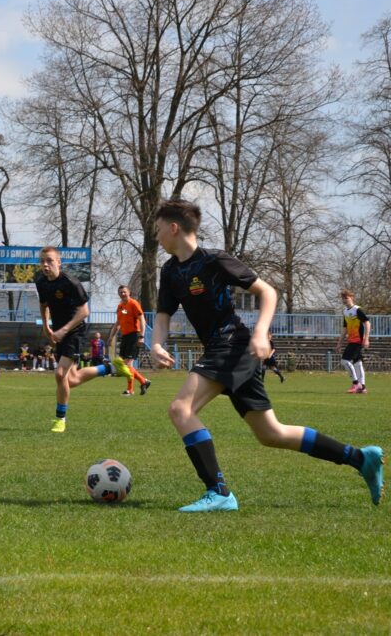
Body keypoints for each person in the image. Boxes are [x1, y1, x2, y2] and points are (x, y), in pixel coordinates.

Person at [150, 199, 383, 512]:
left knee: (181, 409)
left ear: (174, 228)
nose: (156, 236)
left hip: (232, 345)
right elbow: (163, 315)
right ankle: (361, 458)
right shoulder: (170, 271)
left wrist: (261, 332)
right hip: (227, 350)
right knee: (271, 434)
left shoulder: (214, 261)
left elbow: (268, 292)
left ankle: (219, 493)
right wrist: (156, 344)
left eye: (158, 229)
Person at [36, 246, 116, 433]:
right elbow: (43, 304)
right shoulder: (41, 282)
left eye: (49, 261)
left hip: (75, 331)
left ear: (59, 262)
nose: (45, 265)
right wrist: (46, 326)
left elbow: (84, 311)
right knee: (70, 380)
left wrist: (64, 330)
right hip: (59, 331)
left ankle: (60, 419)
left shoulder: (71, 282)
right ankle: (108, 368)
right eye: (42, 261)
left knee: (59, 374)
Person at [107, 285, 152, 396]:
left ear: (129, 292)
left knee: (128, 364)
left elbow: (142, 320)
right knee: (123, 364)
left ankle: (130, 390)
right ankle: (143, 381)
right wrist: (111, 337)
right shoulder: (120, 306)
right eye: (120, 292)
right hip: (125, 337)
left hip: (134, 336)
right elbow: (117, 324)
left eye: (124, 292)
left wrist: (141, 336)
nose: (122, 294)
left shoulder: (134, 304)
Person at [336, 289, 370, 394]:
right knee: (358, 363)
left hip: (357, 341)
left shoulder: (357, 310)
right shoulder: (345, 312)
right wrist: (339, 343)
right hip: (351, 341)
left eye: (346, 298)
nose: (344, 300)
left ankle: (356, 383)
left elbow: (367, 323)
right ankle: (362, 387)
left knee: (344, 361)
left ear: (351, 298)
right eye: (343, 298)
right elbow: (345, 329)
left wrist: (366, 338)